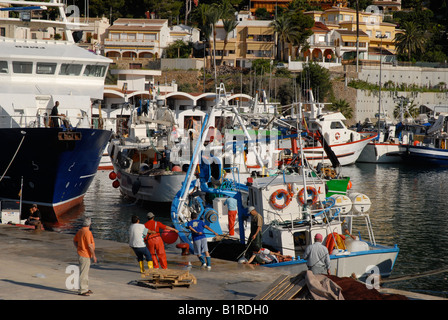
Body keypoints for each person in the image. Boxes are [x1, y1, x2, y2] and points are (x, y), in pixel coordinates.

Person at [73, 217, 97, 296]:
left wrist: (78, 247)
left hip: (81, 253)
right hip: (85, 254)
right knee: (84, 273)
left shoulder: (80, 231)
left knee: (84, 272)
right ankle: (83, 290)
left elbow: (74, 241)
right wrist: (94, 256)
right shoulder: (88, 232)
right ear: (89, 224)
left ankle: (85, 288)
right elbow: (90, 246)